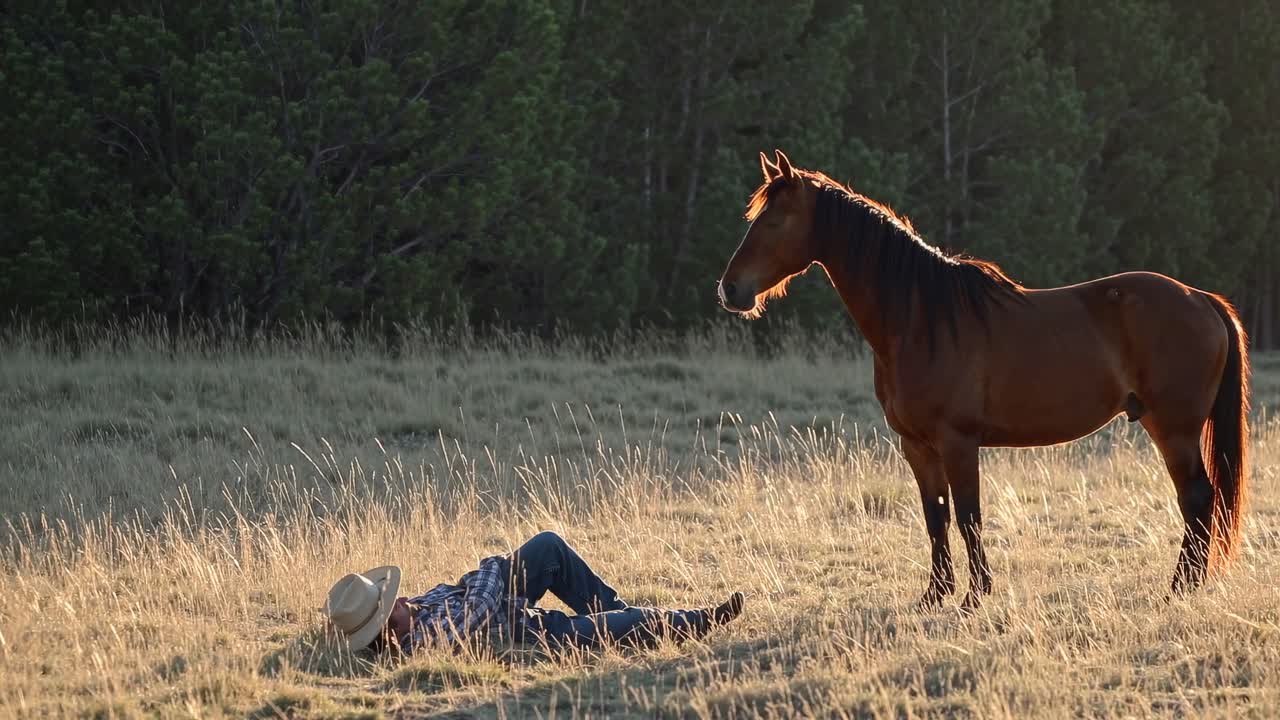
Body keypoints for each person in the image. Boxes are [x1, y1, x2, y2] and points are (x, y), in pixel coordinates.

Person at [323, 531, 745, 655]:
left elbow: (472, 592)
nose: (398, 597)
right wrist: (491, 567)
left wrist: (484, 580)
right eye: (388, 606)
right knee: (620, 626)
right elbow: (481, 598)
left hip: (508, 601)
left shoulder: (418, 606)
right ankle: (695, 621)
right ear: (388, 632)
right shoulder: (424, 641)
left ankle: (619, 613)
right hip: (533, 632)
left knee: (547, 546)